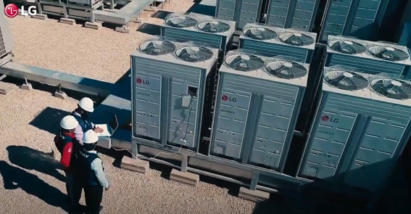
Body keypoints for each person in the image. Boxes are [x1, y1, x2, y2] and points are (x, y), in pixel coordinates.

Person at [76, 130, 109, 214]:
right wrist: (105, 184)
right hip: (94, 186)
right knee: (95, 202)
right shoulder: (95, 160)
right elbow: (99, 175)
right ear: (94, 144)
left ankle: (90, 209)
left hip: (85, 181)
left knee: (88, 199)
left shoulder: (80, 151)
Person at [54, 115, 83, 212]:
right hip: (72, 167)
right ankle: (75, 207)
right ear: (70, 130)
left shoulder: (60, 133)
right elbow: (65, 161)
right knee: (75, 187)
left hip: (68, 168)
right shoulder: (69, 142)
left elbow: (56, 141)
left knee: (69, 183)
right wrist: (74, 170)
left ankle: (70, 199)